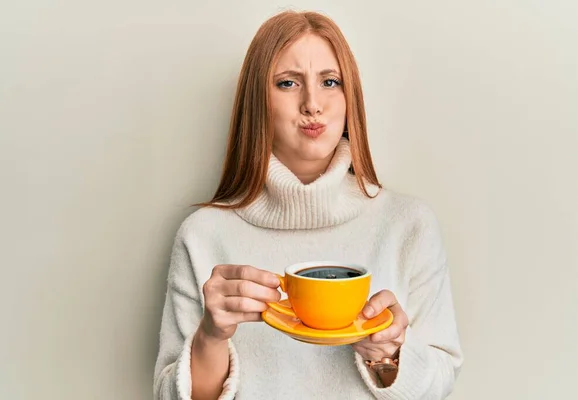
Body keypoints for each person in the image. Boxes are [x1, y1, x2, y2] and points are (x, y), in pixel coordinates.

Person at [153, 10, 463, 400]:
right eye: (287, 83)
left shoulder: (409, 224)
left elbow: (442, 381)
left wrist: (388, 356)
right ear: (257, 102)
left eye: (330, 82)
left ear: (350, 97)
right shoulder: (202, 235)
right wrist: (211, 337)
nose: (312, 104)